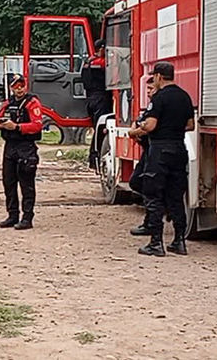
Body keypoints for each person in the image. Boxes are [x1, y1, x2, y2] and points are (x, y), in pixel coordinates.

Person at [127, 62, 194, 256]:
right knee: (176, 197)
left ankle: (156, 243)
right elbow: (190, 125)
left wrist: (135, 131)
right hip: (179, 149)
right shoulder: (184, 96)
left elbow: (150, 126)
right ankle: (179, 242)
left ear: (158, 76)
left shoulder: (159, 98)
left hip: (160, 150)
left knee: (154, 194)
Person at [0, 73, 43, 230]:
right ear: (11, 88)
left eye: (22, 85)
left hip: (26, 147)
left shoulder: (32, 103)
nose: (20, 89)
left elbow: (37, 125)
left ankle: (27, 218)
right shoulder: (7, 104)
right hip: (10, 146)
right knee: (8, 183)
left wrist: (17, 127)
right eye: (16, 86)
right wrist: (2, 124)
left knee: (26, 184)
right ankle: (12, 215)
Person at [128, 77, 157, 236]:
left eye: (151, 89)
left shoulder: (158, 103)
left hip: (155, 152)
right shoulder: (151, 106)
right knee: (137, 182)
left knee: (148, 186)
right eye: (147, 89)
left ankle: (152, 225)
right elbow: (141, 121)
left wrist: (134, 132)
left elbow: (149, 127)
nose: (148, 92)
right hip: (148, 151)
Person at [83, 39, 112, 169]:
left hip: (90, 99)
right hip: (101, 98)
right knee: (101, 130)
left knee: (97, 128)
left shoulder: (88, 62)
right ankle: (95, 157)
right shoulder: (101, 63)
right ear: (101, 48)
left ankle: (94, 158)